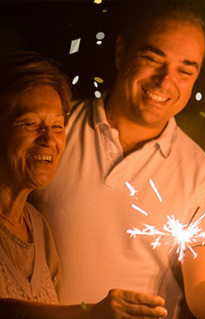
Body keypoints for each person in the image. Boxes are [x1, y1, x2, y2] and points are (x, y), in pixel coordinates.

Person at [29, 4, 205, 319]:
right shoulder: (54, 131)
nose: (164, 81)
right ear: (121, 52)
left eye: (185, 70)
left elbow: (203, 288)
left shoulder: (200, 173)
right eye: (152, 59)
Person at [0, 51, 168, 318]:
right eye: (30, 123)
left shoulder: (38, 228)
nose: (48, 140)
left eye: (57, 126)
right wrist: (87, 314)